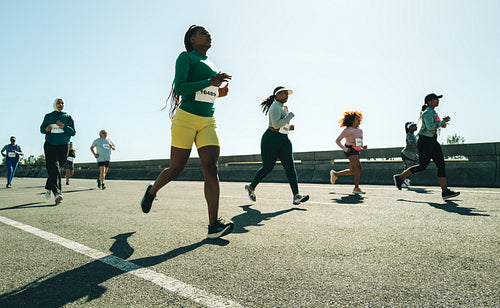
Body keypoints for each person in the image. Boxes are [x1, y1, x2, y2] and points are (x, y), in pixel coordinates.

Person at [140, 25, 234, 239]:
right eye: (202, 32)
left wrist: (219, 92)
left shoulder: (211, 63)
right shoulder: (186, 57)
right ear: (191, 39)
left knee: (211, 168)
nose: (208, 34)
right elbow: (181, 88)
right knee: (175, 169)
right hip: (186, 120)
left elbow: (204, 92)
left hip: (208, 121)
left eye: (209, 32)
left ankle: (213, 226)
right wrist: (210, 82)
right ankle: (152, 191)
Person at [244, 86, 309, 205]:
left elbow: (281, 125)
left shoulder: (284, 107)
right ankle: (251, 187)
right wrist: (290, 116)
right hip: (271, 139)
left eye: (287, 93)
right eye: (283, 93)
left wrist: (289, 127)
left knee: (290, 167)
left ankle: (296, 195)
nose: (286, 95)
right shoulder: (275, 106)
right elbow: (275, 124)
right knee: (267, 167)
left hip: (283, 139)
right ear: (277, 95)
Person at [393, 93, 460, 200]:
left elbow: (435, 125)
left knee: (441, 164)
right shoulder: (427, 113)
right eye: (435, 99)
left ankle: (445, 191)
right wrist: (443, 121)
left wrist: (442, 123)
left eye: (438, 99)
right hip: (425, 141)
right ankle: (400, 177)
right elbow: (430, 127)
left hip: (432, 140)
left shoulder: (433, 112)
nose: (438, 101)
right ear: (429, 101)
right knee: (423, 166)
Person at [40, 98, 76, 204]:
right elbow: (42, 129)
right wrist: (46, 129)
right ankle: (58, 194)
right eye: (58, 103)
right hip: (50, 145)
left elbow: (73, 132)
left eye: (62, 103)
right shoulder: (48, 116)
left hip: (63, 146)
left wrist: (63, 126)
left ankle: (49, 187)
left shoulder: (68, 117)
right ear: (54, 104)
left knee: (57, 169)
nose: (60, 104)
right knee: (54, 168)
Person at [330, 110, 368, 194]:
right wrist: (345, 149)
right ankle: (356, 188)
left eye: (359, 120)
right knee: (359, 167)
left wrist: (362, 146)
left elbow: (359, 141)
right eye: (357, 120)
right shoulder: (347, 130)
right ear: (352, 121)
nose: (359, 121)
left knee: (353, 171)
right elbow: (337, 141)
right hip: (349, 149)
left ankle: (335, 174)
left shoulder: (360, 131)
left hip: (357, 150)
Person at [400, 122, 419, 188]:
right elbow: (411, 145)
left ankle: (405, 180)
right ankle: (403, 181)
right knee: (409, 168)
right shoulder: (409, 135)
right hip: (407, 154)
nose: (416, 126)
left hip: (412, 154)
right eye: (414, 125)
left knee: (411, 168)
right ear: (410, 127)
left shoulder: (412, 135)